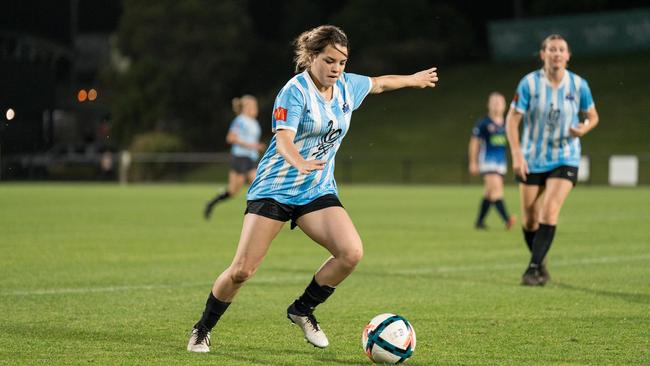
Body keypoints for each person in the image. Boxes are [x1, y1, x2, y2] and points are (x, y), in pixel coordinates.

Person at [187, 25, 438, 352]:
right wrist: (298, 161)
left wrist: (412, 79)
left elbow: (377, 84)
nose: (336, 68)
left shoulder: (346, 86)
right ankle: (202, 328)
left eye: (342, 62)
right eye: (329, 61)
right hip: (274, 190)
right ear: (311, 57)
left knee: (351, 253)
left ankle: (302, 310)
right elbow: (283, 140)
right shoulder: (294, 92)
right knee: (242, 270)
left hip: (315, 190)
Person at [505, 34, 599, 286]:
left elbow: (593, 116)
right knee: (530, 219)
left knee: (550, 210)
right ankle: (540, 260)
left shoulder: (579, 85)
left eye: (561, 50)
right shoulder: (529, 84)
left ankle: (533, 268)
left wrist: (584, 128)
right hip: (532, 157)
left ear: (568, 56)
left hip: (565, 156)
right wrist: (516, 155)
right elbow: (512, 120)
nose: (557, 53)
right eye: (552, 49)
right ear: (543, 54)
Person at [204, 95, 266, 219]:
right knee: (233, 191)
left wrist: (256, 147)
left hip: (250, 158)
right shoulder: (240, 120)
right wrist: (251, 145)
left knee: (258, 185)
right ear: (246, 107)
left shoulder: (254, 122)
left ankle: (256, 215)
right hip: (240, 157)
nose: (256, 109)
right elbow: (230, 138)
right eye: (254, 106)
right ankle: (211, 203)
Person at [468, 92, 516, 230]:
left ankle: (479, 222)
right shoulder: (483, 123)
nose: (496, 105)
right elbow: (474, 143)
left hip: (501, 163)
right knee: (497, 191)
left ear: (505, 105)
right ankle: (507, 220)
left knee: (489, 194)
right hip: (487, 161)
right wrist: (473, 162)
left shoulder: (508, 123)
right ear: (488, 105)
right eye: (493, 102)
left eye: (499, 102)